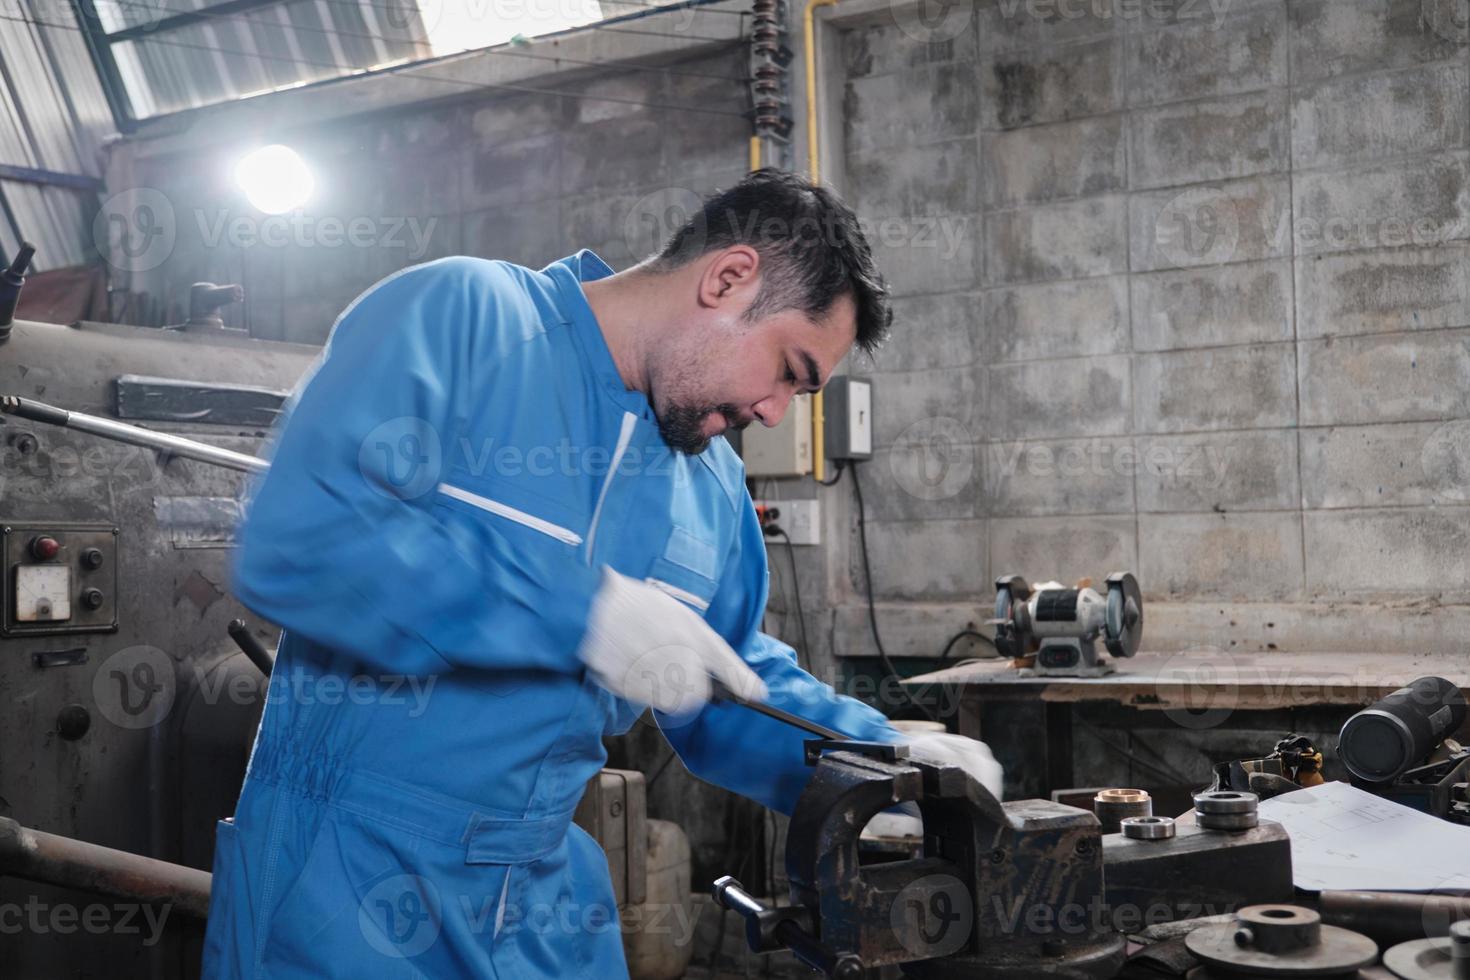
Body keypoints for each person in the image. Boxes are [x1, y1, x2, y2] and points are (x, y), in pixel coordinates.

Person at [202, 169, 1001, 978]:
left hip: (544, 901)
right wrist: (578, 611)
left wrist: (887, 761)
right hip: (342, 878)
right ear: (728, 279)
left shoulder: (712, 485)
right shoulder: (466, 320)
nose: (774, 412)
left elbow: (728, 687)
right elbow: (299, 540)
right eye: (790, 370)